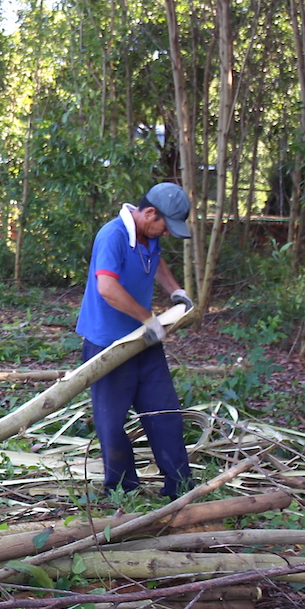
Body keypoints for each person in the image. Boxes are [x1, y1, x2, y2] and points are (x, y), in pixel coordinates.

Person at [75, 182, 196, 499]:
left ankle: (179, 487)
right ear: (150, 213)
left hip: (145, 341)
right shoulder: (113, 236)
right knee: (112, 424)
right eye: (165, 226)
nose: (166, 233)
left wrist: (175, 290)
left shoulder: (147, 234)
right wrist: (148, 318)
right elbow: (107, 288)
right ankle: (122, 490)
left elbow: (156, 261)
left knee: (165, 414)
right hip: (108, 345)